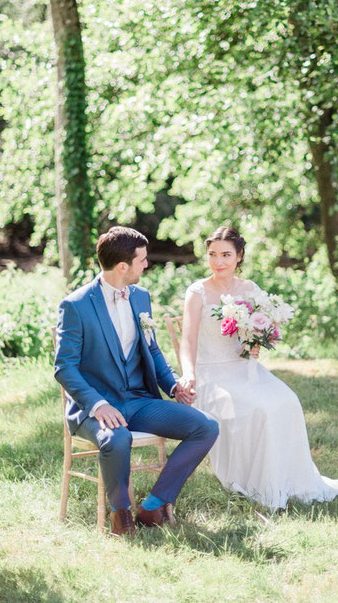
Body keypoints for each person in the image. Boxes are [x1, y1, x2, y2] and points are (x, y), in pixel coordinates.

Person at [179, 225, 338, 511]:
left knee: (288, 401)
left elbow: (261, 331)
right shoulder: (197, 292)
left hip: (246, 370)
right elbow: (187, 341)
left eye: (226, 254)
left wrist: (256, 343)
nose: (218, 262)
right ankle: (255, 482)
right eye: (212, 255)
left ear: (239, 256)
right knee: (259, 409)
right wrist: (188, 374)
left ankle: (290, 479)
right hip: (212, 375)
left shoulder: (249, 289)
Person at [54, 226, 219, 536]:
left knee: (205, 427)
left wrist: (173, 386)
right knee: (117, 439)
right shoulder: (75, 306)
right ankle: (120, 514)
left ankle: (154, 505)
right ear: (122, 266)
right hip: (95, 407)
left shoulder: (141, 297)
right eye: (142, 260)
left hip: (139, 400)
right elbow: (64, 367)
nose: (146, 265)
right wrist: (98, 404)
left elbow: (151, 348)